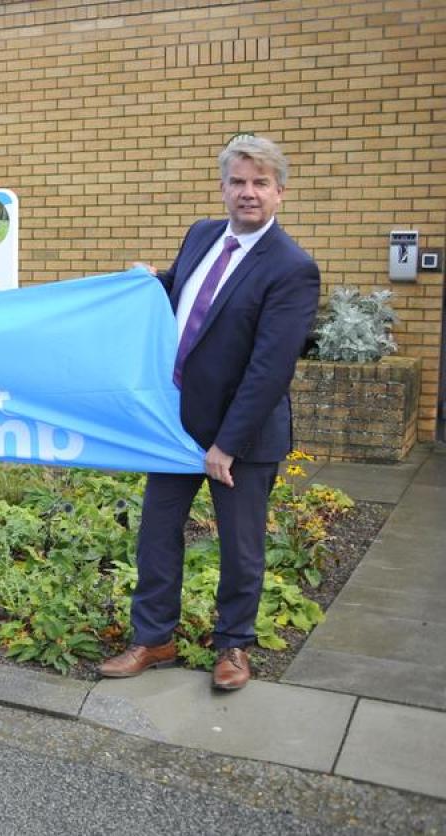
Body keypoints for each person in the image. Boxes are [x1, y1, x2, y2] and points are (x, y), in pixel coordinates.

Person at [98, 135, 320, 691]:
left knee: (239, 548)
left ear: (280, 194)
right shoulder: (201, 234)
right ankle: (154, 639)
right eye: (238, 182)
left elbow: (270, 369)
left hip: (240, 437)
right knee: (156, 535)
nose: (248, 193)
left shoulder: (292, 268)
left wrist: (226, 445)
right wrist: (153, 282)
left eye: (260, 183)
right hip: (178, 426)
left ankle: (234, 647)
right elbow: (190, 294)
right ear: (223, 188)